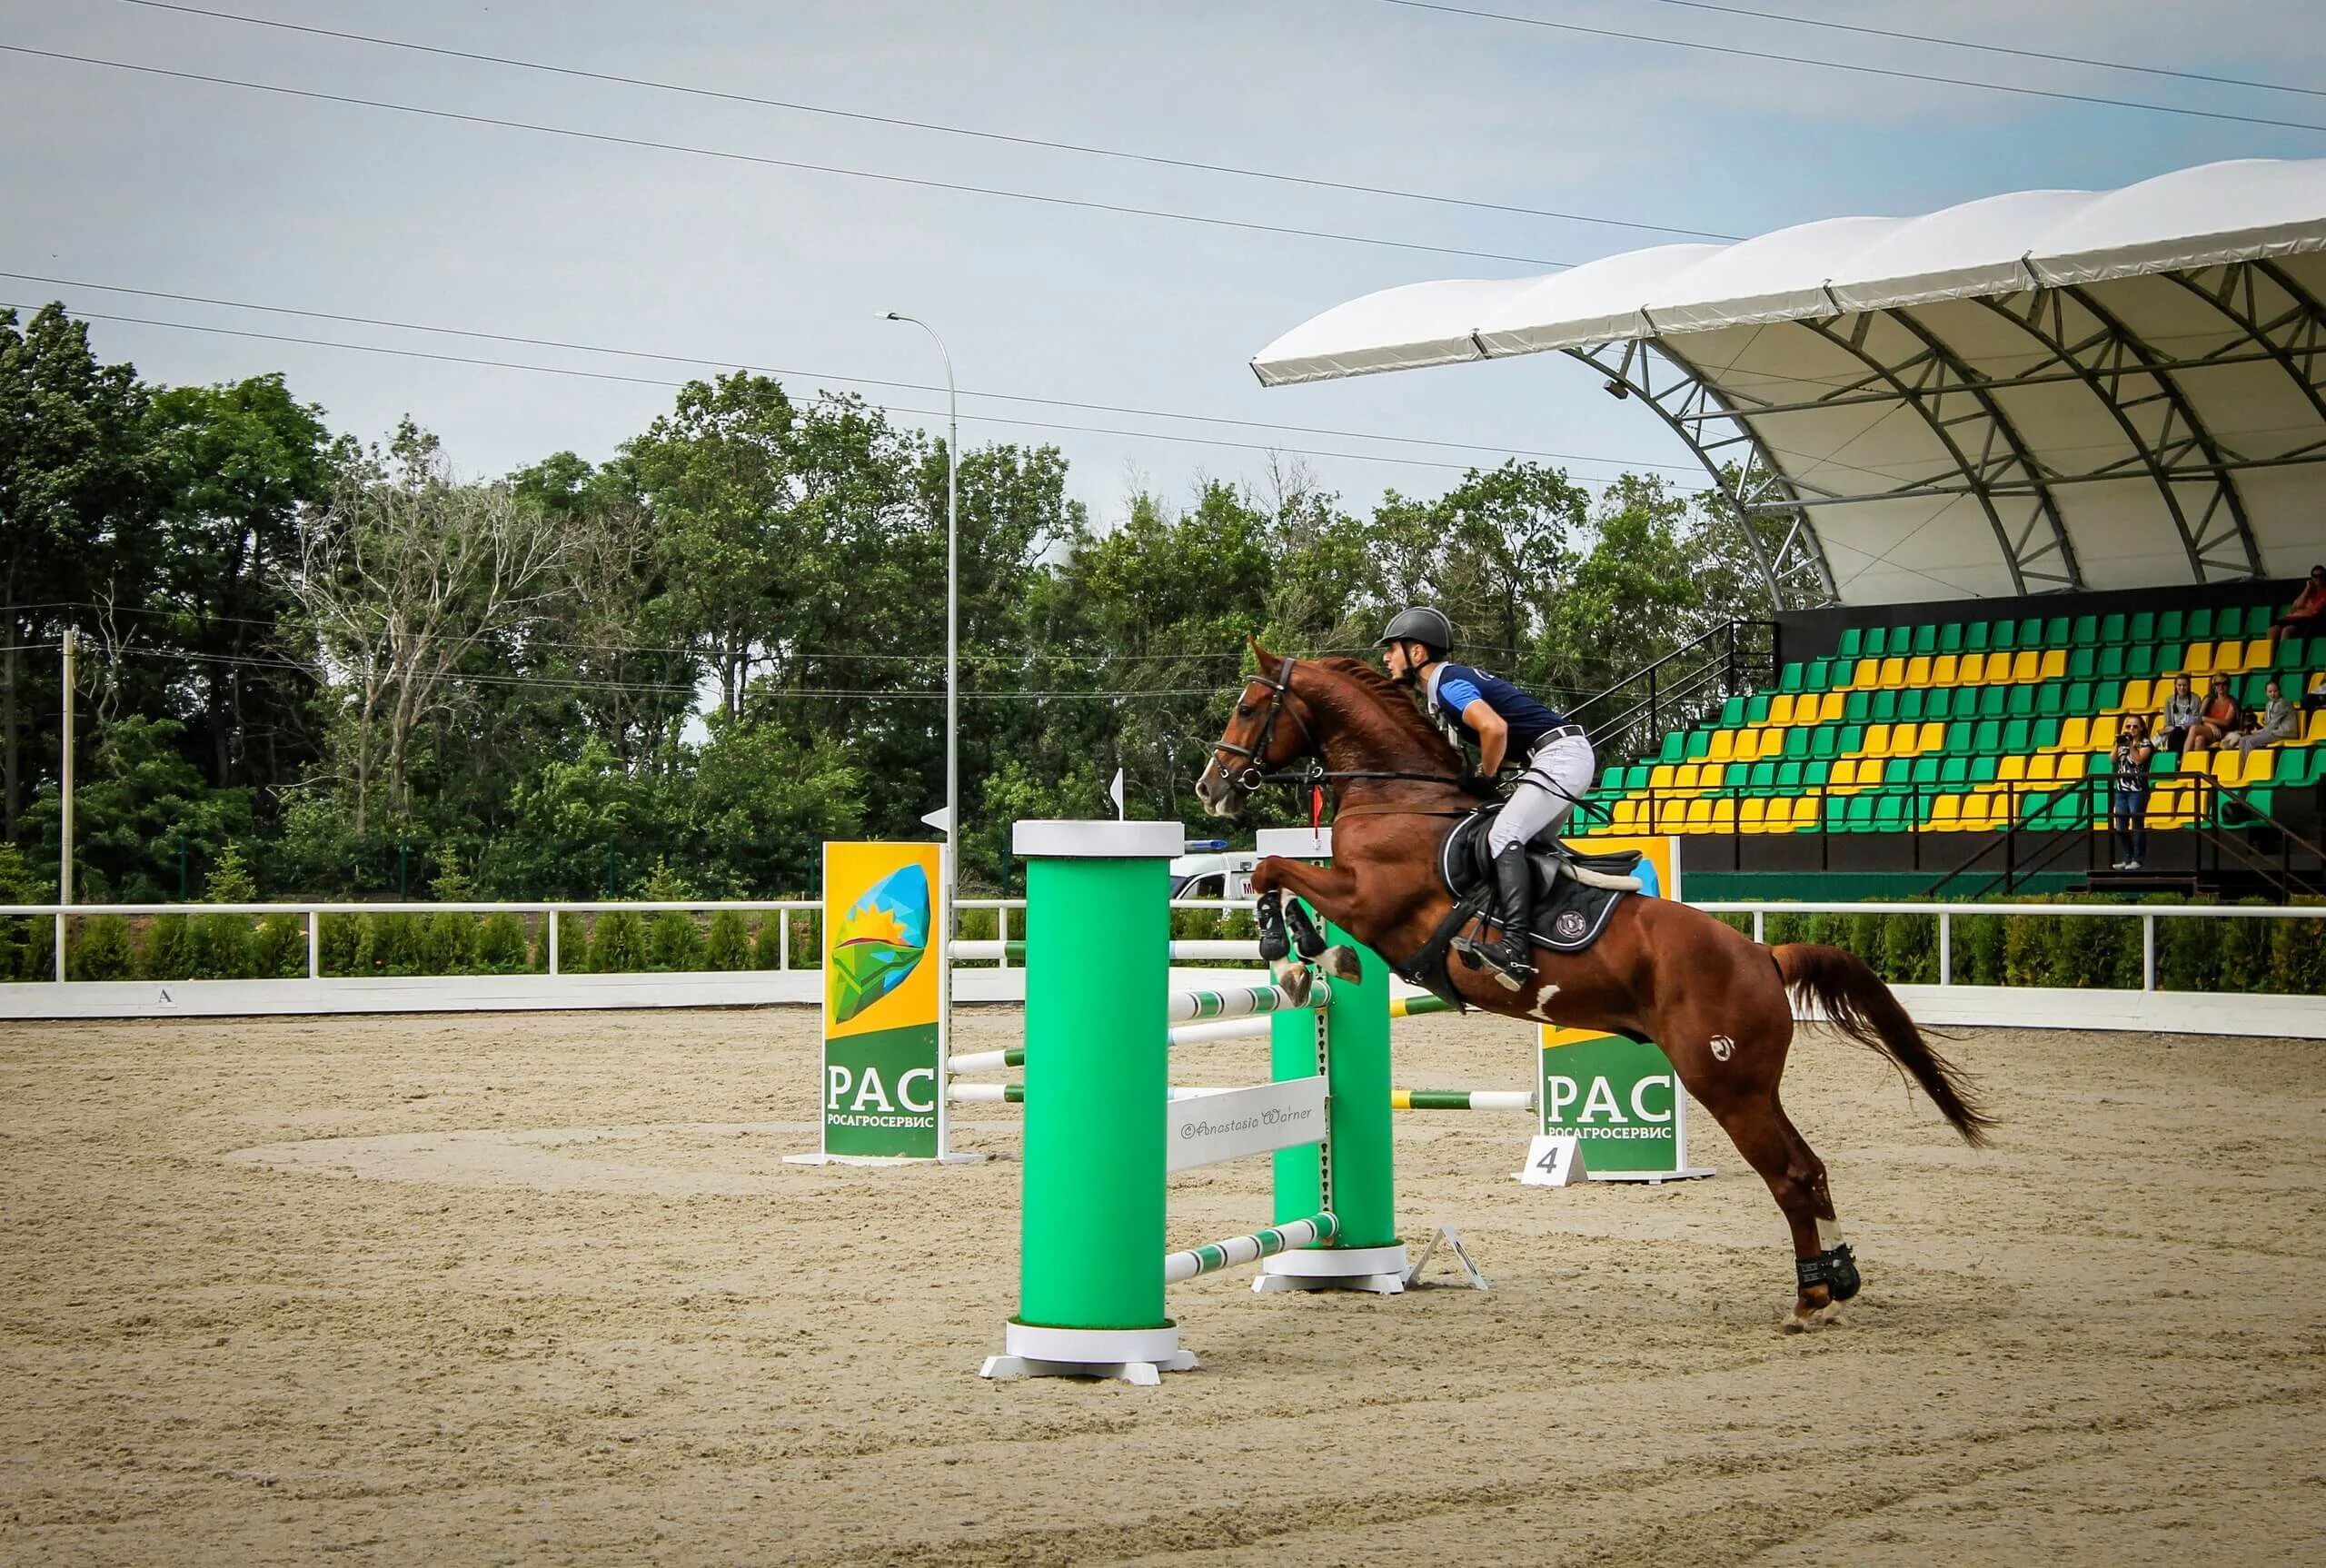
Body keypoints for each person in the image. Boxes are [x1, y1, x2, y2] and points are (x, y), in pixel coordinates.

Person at [1375, 606, 1593, 992]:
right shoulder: (1446, 687)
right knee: (1526, 846)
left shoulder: (1446, 683)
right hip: (1558, 754)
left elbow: (1494, 728)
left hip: (1560, 756)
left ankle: (1515, 952)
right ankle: (1551, 935)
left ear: (1418, 654)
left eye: (1391, 649)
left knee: (1502, 835)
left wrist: (1485, 776)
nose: (1386, 657)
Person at [2110, 714, 2154, 871]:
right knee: (2120, 826)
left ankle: (2138, 859)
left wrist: (2130, 746)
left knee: (2137, 824)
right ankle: (2127, 857)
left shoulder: (2146, 743)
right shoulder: (2122, 743)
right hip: (2121, 789)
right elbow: (2113, 760)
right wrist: (2117, 744)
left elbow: (2138, 760)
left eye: (2135, 726)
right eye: (2128, 726)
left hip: (2138, 790)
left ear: (2141, 728)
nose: (2131, 729)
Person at [2267, 564, 2326, 653]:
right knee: (2272, 630)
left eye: (2321, 576)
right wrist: (2307, 589)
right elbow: (2295, 606)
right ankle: (2269, 659)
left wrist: (2300, 611)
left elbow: (2314, 611)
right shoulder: (2309, 591)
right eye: (2315, 576)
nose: (2318, 579)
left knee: (2286, 631)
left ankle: (2284, 657)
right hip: (2295, 618)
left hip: (2308, 621)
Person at [2234, 679, 2297, 755]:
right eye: (2270, 692)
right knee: (2242, 740)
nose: (2273, 694)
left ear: (2279, 691)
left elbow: (2273, 724)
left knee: (2250, 741)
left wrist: (2259, 732)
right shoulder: (2269, 704)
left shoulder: (2283, 704)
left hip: (2283, 733)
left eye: (2275, 691)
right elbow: (2268, 723)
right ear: (2266, 693)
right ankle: (2244, 765)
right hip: (2273, 733)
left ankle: (2250, 765)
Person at [2187, 672, 2240, 754]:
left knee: (2194, 729)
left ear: (2229, 686)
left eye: (2224, 684)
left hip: (2223, 732)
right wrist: (2211, 725)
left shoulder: (2233, 702)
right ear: (2214, 686)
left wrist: (2206, 719)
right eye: (2217, 684)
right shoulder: (2208, 699)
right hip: (2209, 731)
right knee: (2199, 740)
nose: (2221, 686)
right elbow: (2198, 718)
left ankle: (2184, 760)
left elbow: (2226, 722)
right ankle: (2197, 765)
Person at [2155, 674, 2201, 751]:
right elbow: (2168, 723)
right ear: (2175, 686)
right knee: (2162, 736)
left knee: (2177, 732)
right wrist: (2166, 729)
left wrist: (2181, 727)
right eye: (2179, 685)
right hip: (2173, 730)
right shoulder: (2169, 700)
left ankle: (2178, 757)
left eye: (2184, 685)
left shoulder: (2195, 699)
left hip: (2189, 730)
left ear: (2189, 685)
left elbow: (2196, 720)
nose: (2182, 688)